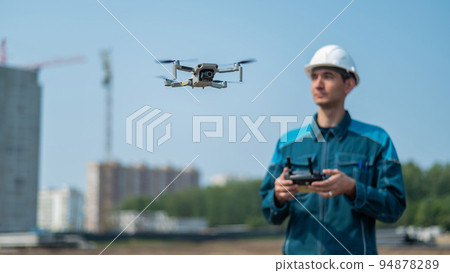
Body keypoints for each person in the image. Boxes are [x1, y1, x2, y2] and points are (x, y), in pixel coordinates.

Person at [260, 45, 406, 255]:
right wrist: (278, 197)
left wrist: (353, 188)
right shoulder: (288, 143)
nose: (318, 84)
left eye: (327, 76)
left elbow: (394, 208)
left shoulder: (377, 141)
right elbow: (270, 213)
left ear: (349, 84)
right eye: (314, 77)